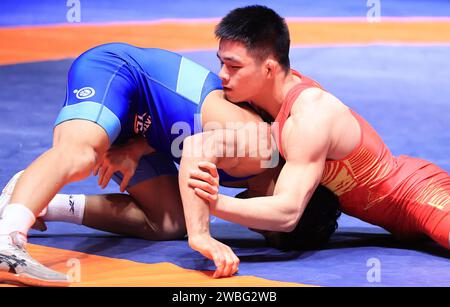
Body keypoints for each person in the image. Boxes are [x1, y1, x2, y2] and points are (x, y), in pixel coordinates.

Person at [0, 42, 341, 285]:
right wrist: (202, 235)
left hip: (143, 127)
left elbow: (185, 122)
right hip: (120, 73)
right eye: (267, 225)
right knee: (80, 154)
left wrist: (137, 145)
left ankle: (40, 202)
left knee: (167, 221)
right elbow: (195, 143)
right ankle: (8, 238)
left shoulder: (252, 170)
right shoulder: (262, 147)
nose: (254, 224)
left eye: (261, 234)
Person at [178, 5, 450, 278]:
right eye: (222, 63)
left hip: (415, 196)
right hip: (393, 220)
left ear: (269, 68)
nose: (223, 74)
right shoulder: (261, 96)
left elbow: (287, 212)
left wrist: (214, 203)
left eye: (234, 66)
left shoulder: (310, 113)